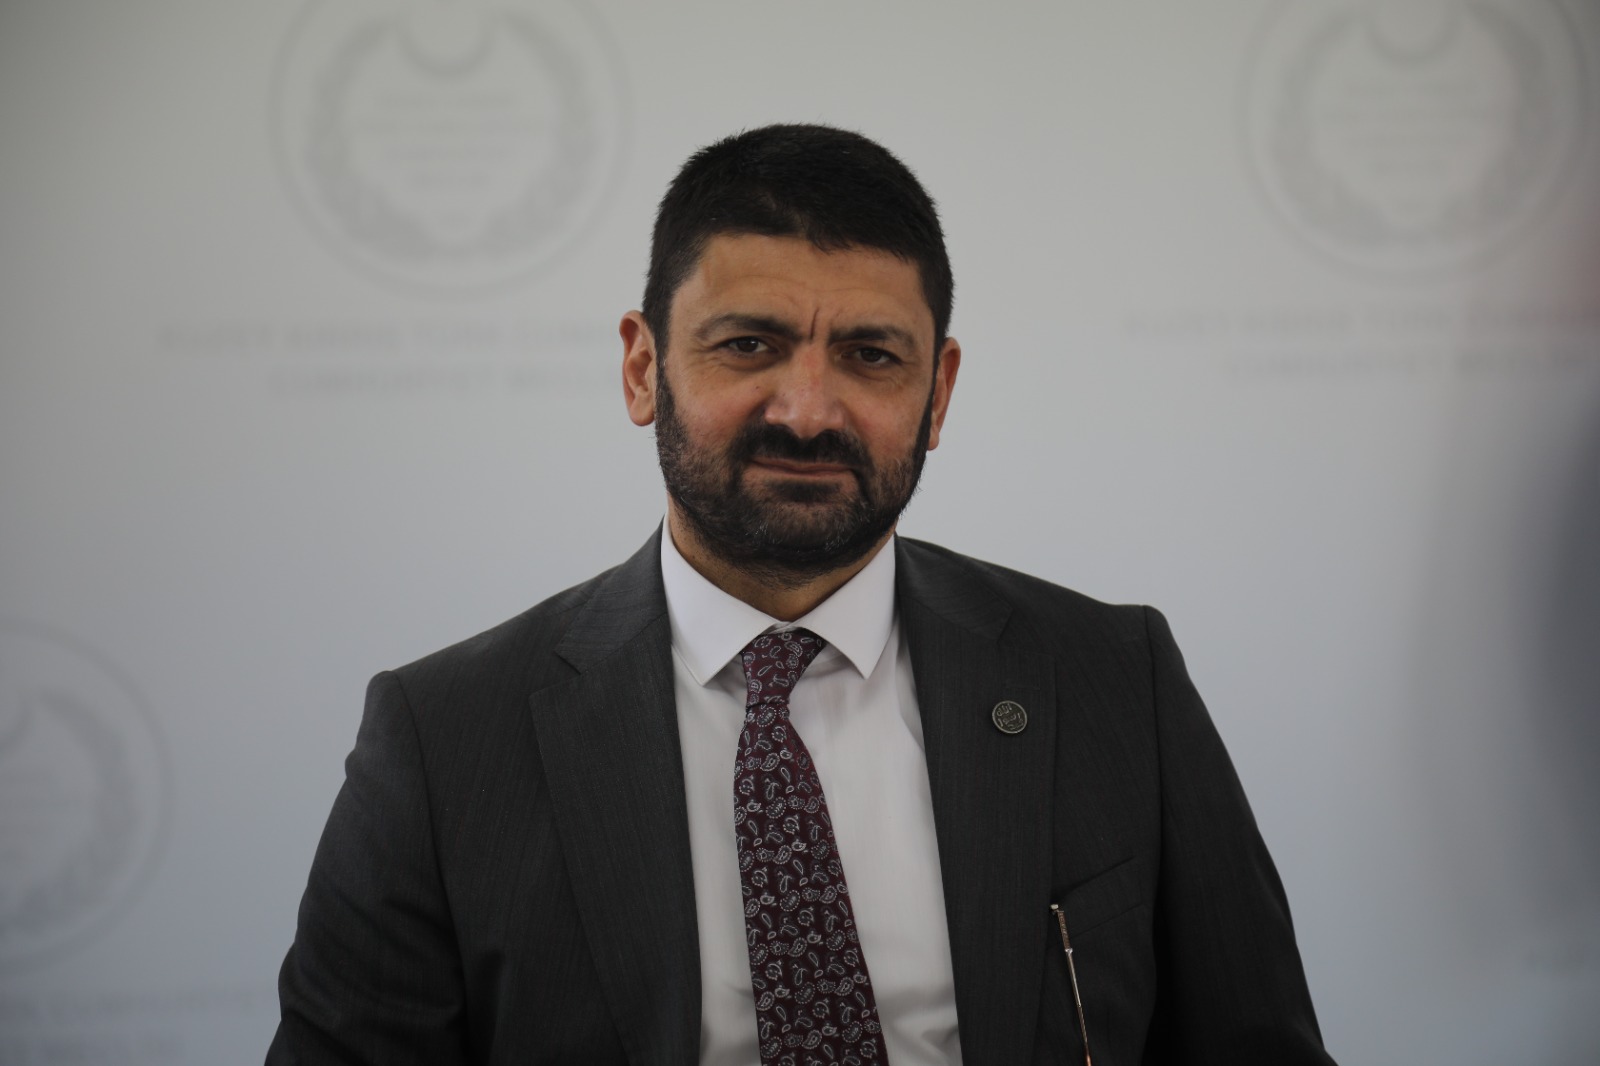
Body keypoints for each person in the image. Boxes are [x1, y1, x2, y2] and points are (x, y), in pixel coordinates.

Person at [268, 124, 1336, 1065]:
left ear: (938, 393)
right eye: (750, 345)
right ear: (642, 368)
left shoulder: (1113, 681)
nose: (809, 410)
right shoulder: (445, 742)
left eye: (871, 355)